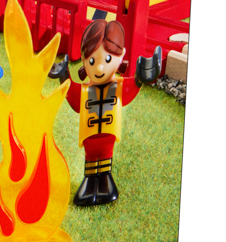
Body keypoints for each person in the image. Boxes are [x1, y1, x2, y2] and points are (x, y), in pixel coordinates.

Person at [65, 17, 159, 206]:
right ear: (84, 60)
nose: (99, 67)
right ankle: (90, 185)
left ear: (121, 55)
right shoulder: (85, 91)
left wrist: (140, 78)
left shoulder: (118, 86)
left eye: (107, 59)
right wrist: (63, 77)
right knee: (91, 159)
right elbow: (74, 97)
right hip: (90, 136)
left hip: (107, 135)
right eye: (92, 60)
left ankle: (105, 185)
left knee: (105, 158)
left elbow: (130, 89)